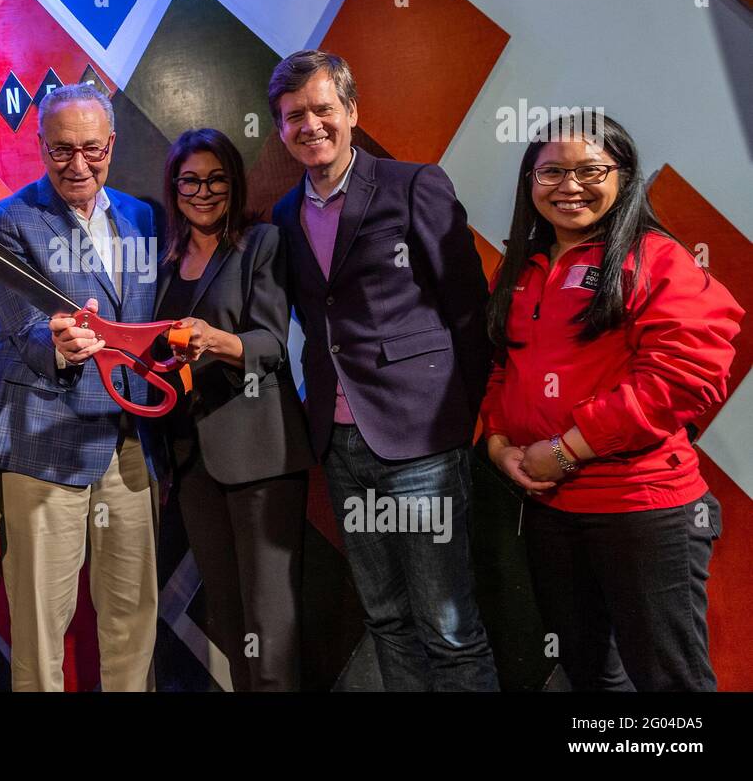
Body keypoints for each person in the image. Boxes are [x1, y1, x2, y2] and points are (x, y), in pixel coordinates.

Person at [481, 111, 742, 691]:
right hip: (551, 509)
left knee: (669, 684)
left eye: (589, 170)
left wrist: (570, 449)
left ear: (624, 176)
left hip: (641, 509)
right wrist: (500, 444)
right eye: (550, 172)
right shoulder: (523, 266)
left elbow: (684, 377)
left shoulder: (658, 259)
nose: (568, 186)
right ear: (529, 183)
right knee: (590, 676)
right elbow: (505, 363)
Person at [269, 50, 499, 691]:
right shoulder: (284, 217)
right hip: (339, 444)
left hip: (422, 442)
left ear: (351, 112)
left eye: (322, 109)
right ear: (280, 130)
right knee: (387, 618)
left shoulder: (414, 185)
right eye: (294, 117)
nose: (310, 125)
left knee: (449, 625)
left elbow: (468, 308)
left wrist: (457, 415)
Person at [0, 82, 162, 692]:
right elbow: (22, 327)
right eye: (61, 151)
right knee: (39, 632)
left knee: (132, 620)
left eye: (90, 149)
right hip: (44, 445)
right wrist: (56, 346)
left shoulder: (141, 216)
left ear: (111, 144)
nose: (77, 165)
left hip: (129, 444)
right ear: (39, 146)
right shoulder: (7, 220)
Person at [155, 128, 312, 691]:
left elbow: (270, 344)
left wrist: (213, 339)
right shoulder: (163, 260)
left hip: (261, 455)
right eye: (190, 180)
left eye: (216, 178)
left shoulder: (261, 243)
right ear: (173, 188)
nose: (203, 191)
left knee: (271, 622)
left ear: (234, 182)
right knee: (229, 617)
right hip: (192, 460)